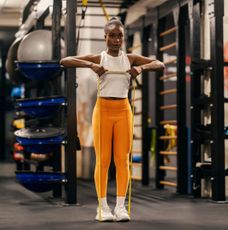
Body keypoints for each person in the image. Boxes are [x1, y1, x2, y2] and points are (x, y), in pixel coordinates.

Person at [60, 17, 165, 222]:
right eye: (113, 36)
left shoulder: (131, 58)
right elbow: (65, 61)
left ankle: (120, 207)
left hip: (123, 110)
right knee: (104, 160)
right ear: (105, 37)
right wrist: (91, 65)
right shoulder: (100, 58)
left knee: (122, 160)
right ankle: (102, 207)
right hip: (103, 110)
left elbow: (159, 63)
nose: (117, 40)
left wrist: (140, 69)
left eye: (120, 36)